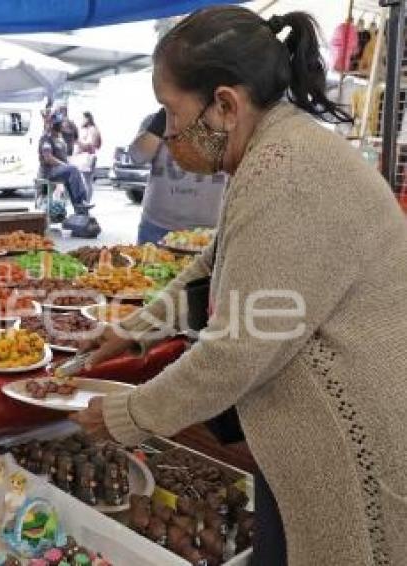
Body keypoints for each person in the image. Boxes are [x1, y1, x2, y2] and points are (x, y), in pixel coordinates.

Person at [71, 6, 407, 566]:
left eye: (171, 113)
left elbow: (237, 350)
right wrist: (134, 332)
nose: (169, 134)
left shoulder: (287, 171)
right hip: (303, 441)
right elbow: (214, 264)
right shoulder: (278, 150)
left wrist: (129, 415)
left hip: (349, 442)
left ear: (225, 104)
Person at [130, 108, 226, 244]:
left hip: (210, 232)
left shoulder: (227, 122)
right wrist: (160, 123)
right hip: (157, 227)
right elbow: (137, 157)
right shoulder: (156, 120)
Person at [38, 113, 92, 215]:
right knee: (72, 170)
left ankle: (79, 208)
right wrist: (64, 165)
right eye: (60, 124)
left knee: (73, 176)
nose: (62, 126)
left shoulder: (60, 139)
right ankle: (81, 202)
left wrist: (67, 165)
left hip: (59, 170)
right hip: (49, 171)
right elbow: (48, 158)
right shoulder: (46, 138)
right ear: (56, 125)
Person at [75, 111, 102, 202]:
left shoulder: (92, 130)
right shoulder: (91, 129)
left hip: (88, 158)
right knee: (87, 181)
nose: (81, 121)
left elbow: (90, 144)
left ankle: (86, 201)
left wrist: (78, 143)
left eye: (82, 118)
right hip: (88, 157)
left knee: (87, 181)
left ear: (87, 119)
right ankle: (86, 200)